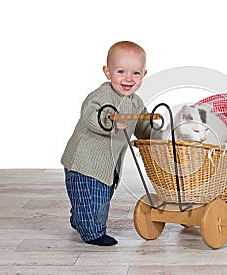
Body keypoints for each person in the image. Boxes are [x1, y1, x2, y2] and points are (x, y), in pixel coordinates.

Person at [61, 41, 153, 246]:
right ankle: (93, 233)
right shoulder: (102, 95)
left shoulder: (135, 102)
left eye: (136, 73)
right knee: (92, 198)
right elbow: (89, 114)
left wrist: (156, 131)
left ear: (144, 75)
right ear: (107, 72)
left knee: (101, 196)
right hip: (85, 162)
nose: (128, 78)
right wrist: (110, 120)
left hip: (106, 165)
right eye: (121, 71)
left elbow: (143, 125)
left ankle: (81, 218)